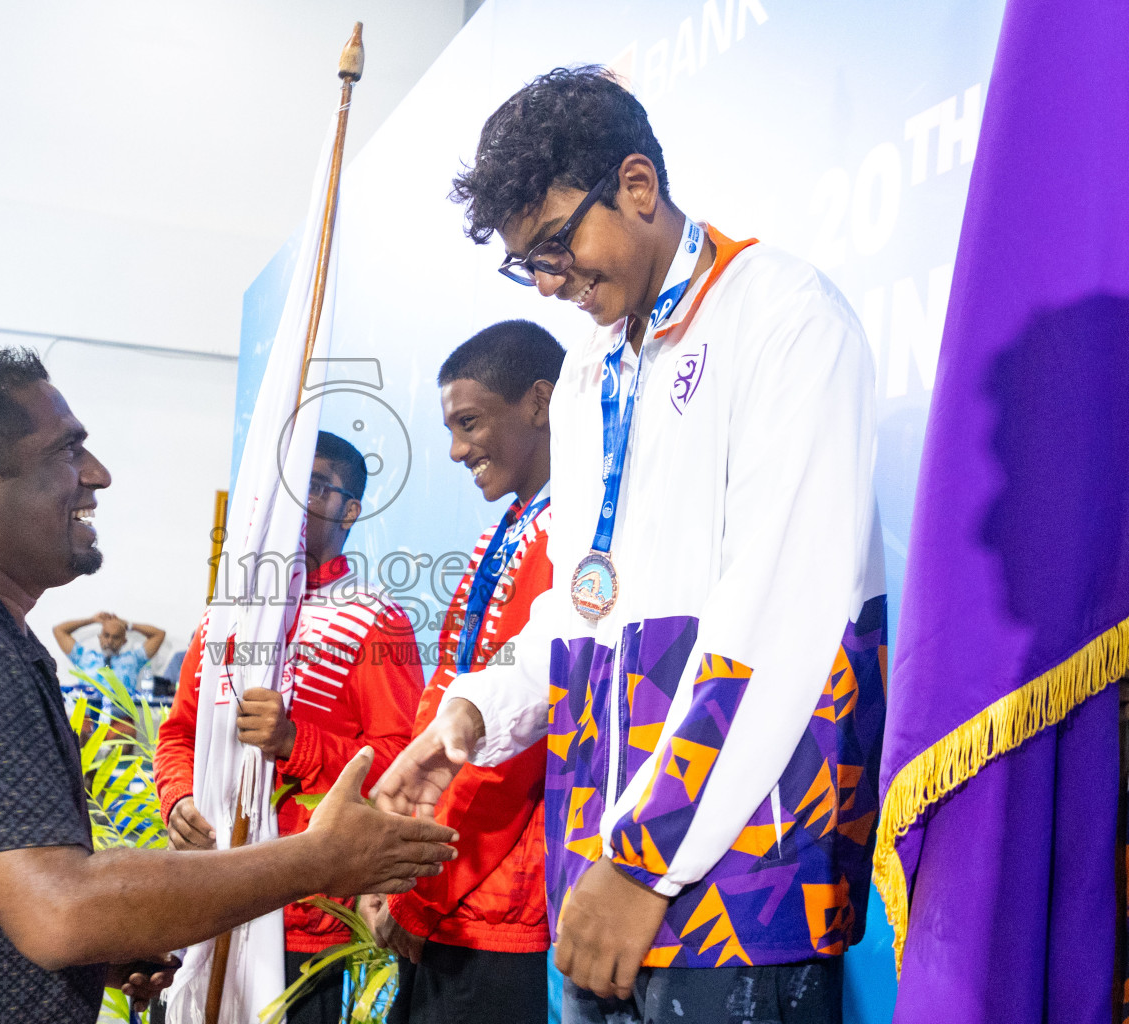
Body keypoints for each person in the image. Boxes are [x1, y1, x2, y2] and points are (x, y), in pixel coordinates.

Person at [373, 67, 885, 1024]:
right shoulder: (584, 376)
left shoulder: (782, 316)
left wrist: (645, 858)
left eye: (559, 245)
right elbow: (581, 605)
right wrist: (471, 719)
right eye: (528, 262)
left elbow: (782, 619)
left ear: (638, 187)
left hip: (736, 885)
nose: (550, 281)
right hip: (600, 882)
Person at [0, 348, 457, 1024]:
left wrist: (99, 949)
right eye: (68, 451)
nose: (98, 475)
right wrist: (315, 858)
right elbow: (62, 906)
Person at [156, 430, 426, 1024]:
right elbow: (180, 733)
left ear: (350, 509)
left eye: (316, 486)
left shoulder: (376, 620)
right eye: (284, 485)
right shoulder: (226, 614)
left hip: (304, 910)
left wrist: (295, 742)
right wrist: (177, 798)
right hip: (208, 888)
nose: (294, 501)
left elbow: (402, 757)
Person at [366, 321, 562, 1024]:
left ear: (539, 403)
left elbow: (513, 750)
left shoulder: (574, 536)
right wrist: (398, 864)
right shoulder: (506, 531)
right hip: (454, 893)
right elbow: (442, 711)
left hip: (502, 907)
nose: (456, 450)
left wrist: (419, 888)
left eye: (470, 423)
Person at [52, 610, 166, 710]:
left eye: (116, 637)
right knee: (80, 730)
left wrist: (128, 625)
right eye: (106, 635)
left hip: (120, 715)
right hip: (88, 713)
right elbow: (59, 630)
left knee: (124, 732)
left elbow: (159, 634)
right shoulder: (83, 657)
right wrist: (92, 620)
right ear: (100, 637)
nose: (110, 641)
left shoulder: (133, 660)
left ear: (124, 641)